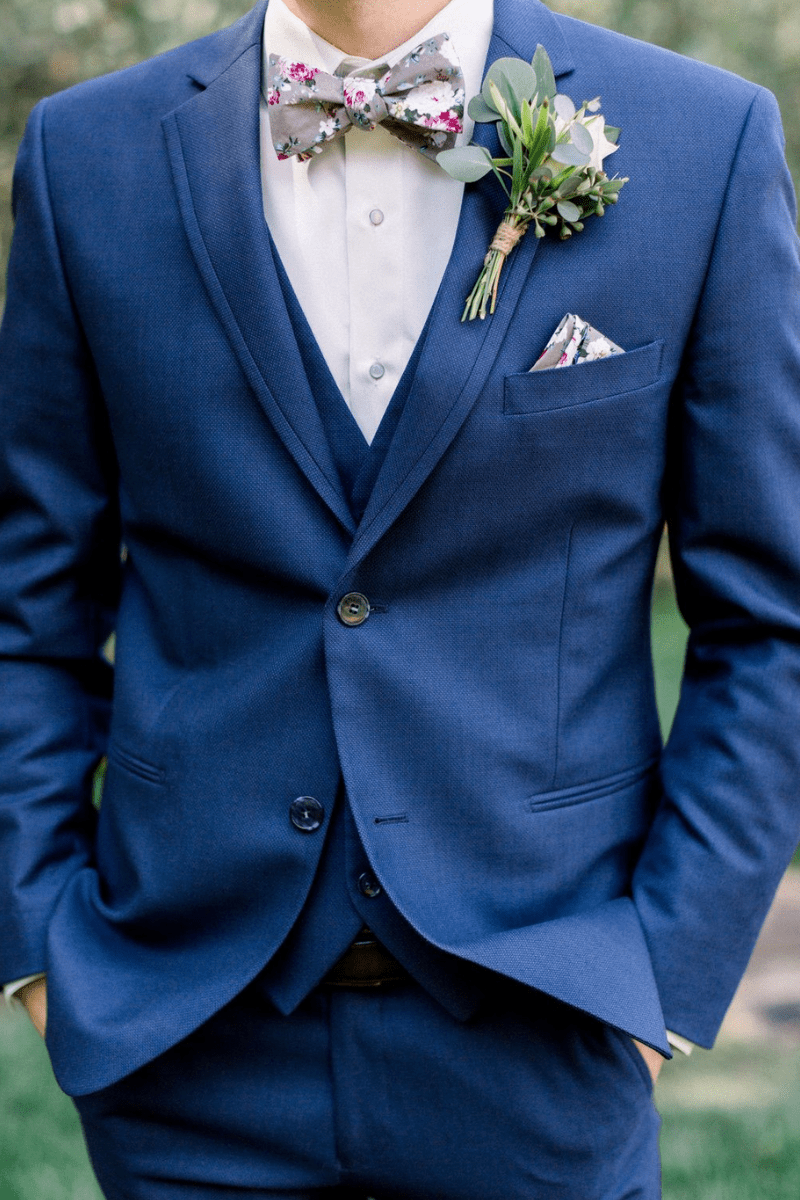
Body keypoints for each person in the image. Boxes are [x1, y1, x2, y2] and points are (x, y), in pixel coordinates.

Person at [1, 0, 799, 1195]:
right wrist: (41, 950)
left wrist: (661, 972)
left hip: (544, 1026)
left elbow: (769, 619)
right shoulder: (88, 153)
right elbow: (27, 609)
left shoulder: (700, 139)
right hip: (185, 1042)